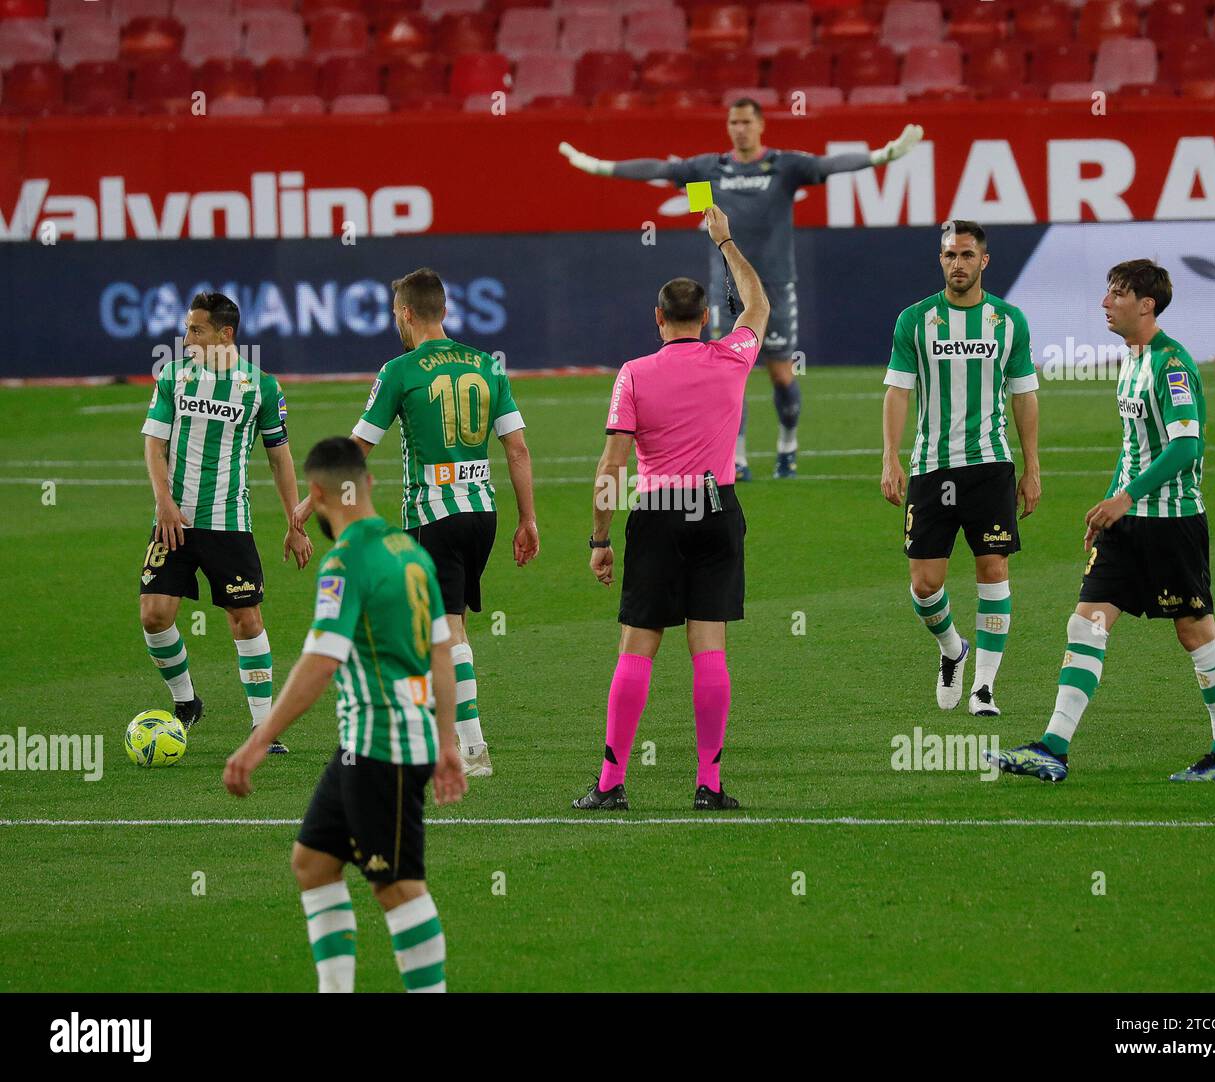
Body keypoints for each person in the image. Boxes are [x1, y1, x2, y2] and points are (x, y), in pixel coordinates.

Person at [560, 98, 922, 480]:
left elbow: (831, 165)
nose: (739, 128)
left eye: (746, 121)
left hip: (776, 287)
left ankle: (787, 447)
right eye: (733, 122)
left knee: (783, 374)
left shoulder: (785, 166)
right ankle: (739, 457)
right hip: (727, 290)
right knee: (730, 376)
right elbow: (659, 168)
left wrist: (886, 155)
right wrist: (597, 165)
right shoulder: (709, 170)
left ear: (761, 124)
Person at [225, 436, 467, 992]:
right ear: (370, 481)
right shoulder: (412, 553)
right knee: (313, 862)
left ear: (314, 493)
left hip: (384, 743)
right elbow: (441, 653)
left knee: (397, 887)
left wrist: (261, 738)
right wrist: (448, 739)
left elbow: (320, 661)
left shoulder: (344, 561)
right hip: (370, 742)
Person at [988, 260, 1215, 783]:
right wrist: (1108, 510)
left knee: (1195, 633)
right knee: (1087, 621)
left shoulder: (1171, 366)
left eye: (1118, 293)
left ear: (1146, 304)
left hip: (1171, 524)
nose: (1105, 302)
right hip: (1126, 528)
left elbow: (1185, 445)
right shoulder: (1132, 360)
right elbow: (1133, 450)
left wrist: (1124, 499)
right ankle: (1053, 748)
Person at [296, 268, 539, 778]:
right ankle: (438, 732)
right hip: (483, 513)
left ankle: (470, 750)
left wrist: (308, 500)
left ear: (406, 313)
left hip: (434, 515)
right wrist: (528, 520)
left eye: (394, 315)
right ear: (443, 310)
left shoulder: (400, 370)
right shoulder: (486, 365)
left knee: (443, 630)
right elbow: (516, 448)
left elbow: (357, 448)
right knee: (451, 624)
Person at [575, 205, 768, 811]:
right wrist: (726, 241)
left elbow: (611, 466)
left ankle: (611, 786)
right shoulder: (732, 357)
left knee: (638, 647)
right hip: (717, 508)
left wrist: (600, 539)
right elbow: (759, 305)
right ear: (707, 318)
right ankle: (708, 785)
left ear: (658, 318)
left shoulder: (633, 374)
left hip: (657, 513)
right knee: (708, 647)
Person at [880, 221, 1041, 717]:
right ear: (941, 260)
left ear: (984, 261)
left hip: (990, 465)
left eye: (967, 255)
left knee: (993, 570)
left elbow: (1024, 395)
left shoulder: (1009, 321)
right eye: (950, 255)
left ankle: (985, 688)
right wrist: (890, 456)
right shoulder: (915, 320)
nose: (958, 264)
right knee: (925, 583)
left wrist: (1032, 466)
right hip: (931, 466)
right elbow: (898, 390)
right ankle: (953, 649)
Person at [140, 291, 313, 753]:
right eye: (187, 329)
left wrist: (295, 521)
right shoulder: (173, 377)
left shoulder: (262, 386)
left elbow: (281, 459)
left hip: (228, 521)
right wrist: (164, 502)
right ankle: (187, 701)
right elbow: (154, 445)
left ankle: (264, 728)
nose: (186, 338)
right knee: (154, 615)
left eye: (195, 330)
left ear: (225, 334)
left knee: (245, 619)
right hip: (173, 521)